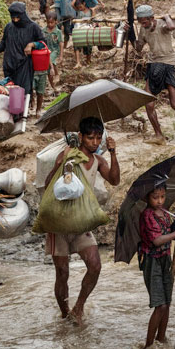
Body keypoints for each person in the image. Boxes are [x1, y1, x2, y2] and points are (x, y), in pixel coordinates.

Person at [43, 116, 120, 325]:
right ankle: (64, 313)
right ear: (80, 137)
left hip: (82, 222)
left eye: (98, 138)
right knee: (62, 272)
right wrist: (59, 164)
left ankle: (78, 307)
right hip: (59, 223)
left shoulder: (99, 161)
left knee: (95, 265)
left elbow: (114, 180)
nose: (94, 143)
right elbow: (49, 184)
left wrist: (113, 153)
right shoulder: (68, 156)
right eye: (90, 138)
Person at [139, 184, 175, 349]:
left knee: (167, 302)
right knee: (160, 304)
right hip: (152, 261)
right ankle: (148, 346)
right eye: (155, 197)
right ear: (147, 198)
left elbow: (169, 232)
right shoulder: (147, 215)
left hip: (165, 260)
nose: (160, 201)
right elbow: (157, 240)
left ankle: (161, 339)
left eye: (162, 196)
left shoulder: (164, 213)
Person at [133, 4, 175, 145]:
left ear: (152, 18)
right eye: (140, 22)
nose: (143, 24)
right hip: (153, 64)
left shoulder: (162, 24)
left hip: (168, 63)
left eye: (145, 21)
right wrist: (130, 35)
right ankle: (159, 135)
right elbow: (138, 48)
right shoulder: (143, 30)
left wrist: (167, 16)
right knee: (148, 103)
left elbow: (171, 27)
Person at [0, 2, 45, 101]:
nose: (15, 20)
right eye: (13, 18)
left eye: (18, 18)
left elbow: (43, 43)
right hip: (9, 64)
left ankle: (23, 114)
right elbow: (3, 44)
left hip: (24, 64)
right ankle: (13, 113)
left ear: (23, 15)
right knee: (10, 90)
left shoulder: (33, 27)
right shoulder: (9, 27)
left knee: (23, 90)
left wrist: (32, 45)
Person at [41, 10, 63, 91]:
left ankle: (56, 73)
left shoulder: (58, 32)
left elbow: (61, 43)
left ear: (56, 22)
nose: (50, 24)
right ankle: (53, 86)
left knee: (50, 59)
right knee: (48, 69)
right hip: (45, 51)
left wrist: (61, 55)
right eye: (48, 22)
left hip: (54, 50)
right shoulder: (43, 31)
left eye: (52, 23)